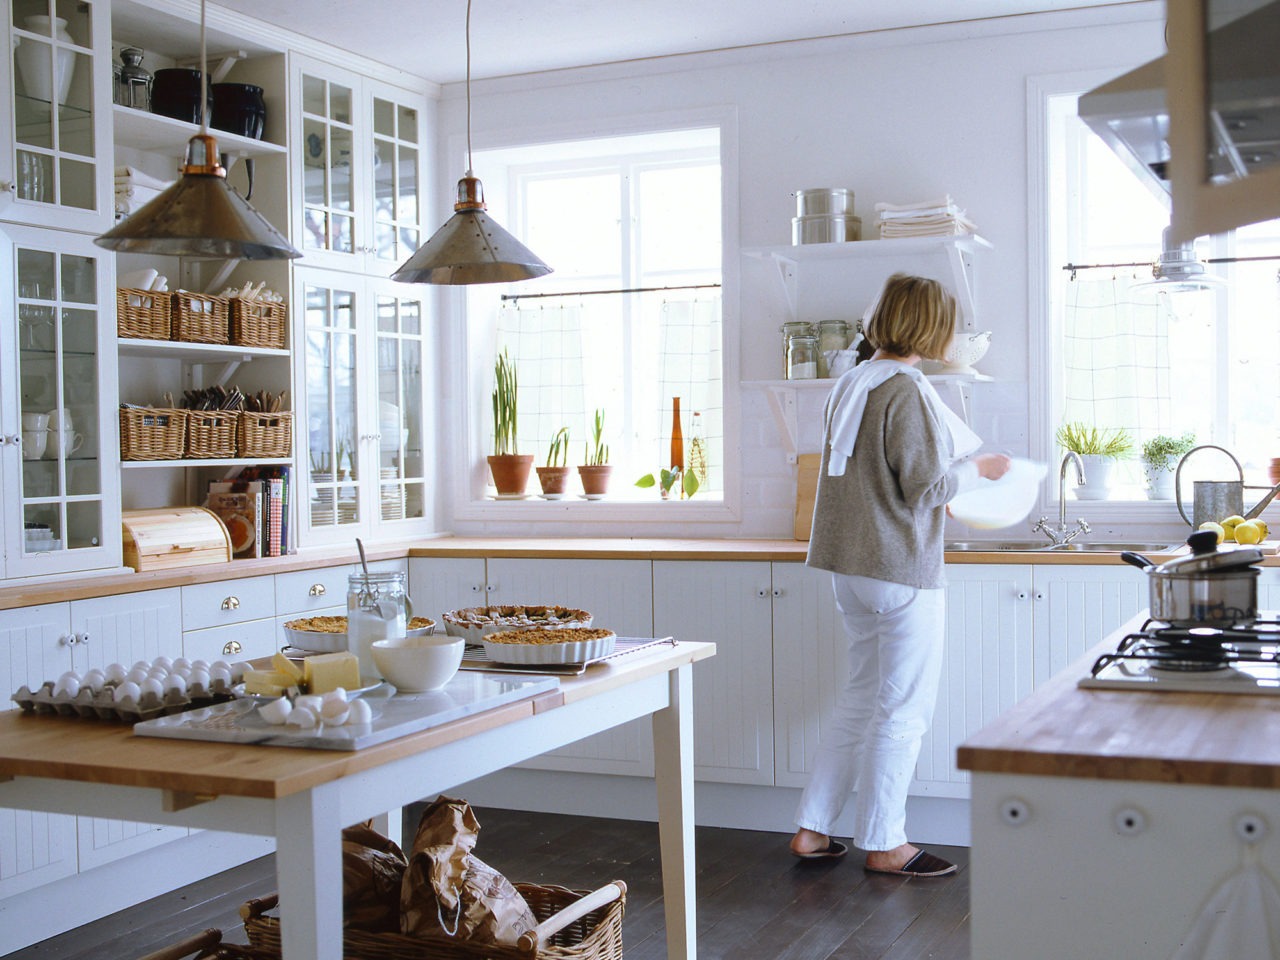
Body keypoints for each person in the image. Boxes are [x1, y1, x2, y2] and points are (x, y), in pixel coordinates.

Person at [789, 273, 1010, 877]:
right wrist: (981, 470)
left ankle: (813, 830)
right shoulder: (906, 390)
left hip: (848, 567)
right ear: (929, 327)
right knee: (903, 710)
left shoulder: (853, 381)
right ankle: (886, 843)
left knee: (860, 700)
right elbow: (928, 488)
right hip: (897, 569)